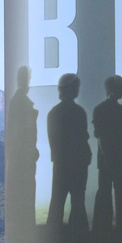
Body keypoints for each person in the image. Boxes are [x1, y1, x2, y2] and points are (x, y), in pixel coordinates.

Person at [46, 73, 92, 230]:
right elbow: (82, 137)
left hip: (61, 164)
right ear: (72, 90)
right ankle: (79, 236)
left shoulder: (53, 113)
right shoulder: (79, 112)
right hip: (78, 164)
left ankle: (53, 235)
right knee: (78, 201)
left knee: (57, 201)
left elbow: (54, 141)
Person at [92, 75, 122, 229]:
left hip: (106, 160)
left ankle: (103, 226)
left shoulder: (100, 110)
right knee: (121, 192)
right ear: (112, 89)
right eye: (120, 88)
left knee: (104, 192)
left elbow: (101, 136)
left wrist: (107, 158)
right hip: (118, 159)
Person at [7, 65, 40, 227]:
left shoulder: (19, 101)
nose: (29, 82)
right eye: (27, 79)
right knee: (25, 193)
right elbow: (19, 132)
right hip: (23, 158)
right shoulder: (20, 102)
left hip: (24, 156)